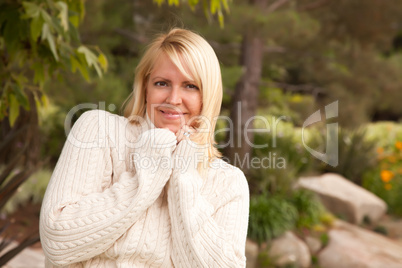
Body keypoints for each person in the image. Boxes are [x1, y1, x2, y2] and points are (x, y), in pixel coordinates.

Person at [39, 28, 250, 267]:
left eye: (190, 86)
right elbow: (57, 242)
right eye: (162, 83)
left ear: (208, 96)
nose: (173, 99)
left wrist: (184, 180)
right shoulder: (99, 130)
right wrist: (148, 176)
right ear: (146, 87)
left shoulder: (229, 182)